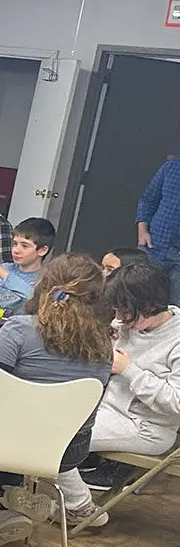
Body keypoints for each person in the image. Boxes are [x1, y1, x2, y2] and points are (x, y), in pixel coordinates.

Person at [0, 255, 115, 547]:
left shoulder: (20, 328)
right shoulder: (105, 344)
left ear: (43, 286)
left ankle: (6, 494)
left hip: (6, 439)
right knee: (15, 429)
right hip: (67, 448)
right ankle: (13, 500)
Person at [75, 262, 180, 492]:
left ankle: (77, 506)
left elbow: (176, 403)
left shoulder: (176, 339)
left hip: (146, 427)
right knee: (46, 419)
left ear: (150, 305)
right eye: (117, 310)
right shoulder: (126, 323)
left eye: (126, 312)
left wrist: (129, 370)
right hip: (104, 409)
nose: (119, 318)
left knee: (61, 436)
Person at [135, 155, 180, 302]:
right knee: (136, 299)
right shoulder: (172, 166)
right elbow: (148, 200)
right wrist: (142, 230)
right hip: (152, 247)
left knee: (176, 312)